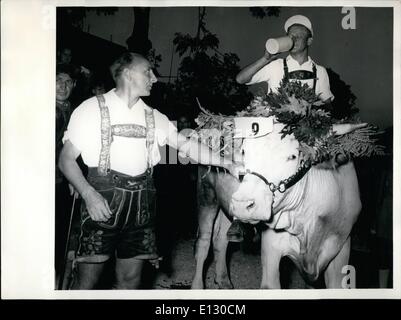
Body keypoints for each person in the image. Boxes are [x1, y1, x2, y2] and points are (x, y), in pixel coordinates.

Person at [58, 52, 241, 289]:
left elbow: (185, 145)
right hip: (102, 200)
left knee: (131, 280)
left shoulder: (154, 115)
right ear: (127, 74)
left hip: (141, 205)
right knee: (88, 282)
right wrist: (89, 195)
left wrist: (226, 162)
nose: (154, 78)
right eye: (148, 71)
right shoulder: (91, 108)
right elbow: (65, 160)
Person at [236, 15, 334, 103]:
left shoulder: (320, 71)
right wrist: (265, 59)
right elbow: (240, 79)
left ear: (309, 41)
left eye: (298, 36)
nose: (293, 40)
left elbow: (327, 104)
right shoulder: (275, 65)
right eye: (290, 36)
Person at [55, 63, 76, 284]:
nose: (63, 86)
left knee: (61, 231)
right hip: (47, 179)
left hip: (62, 179)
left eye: (68, 81)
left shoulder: (71, 109)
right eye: (58, 80)